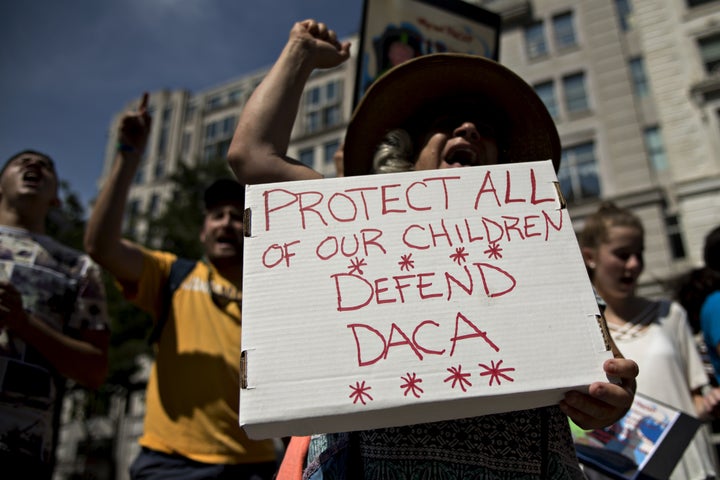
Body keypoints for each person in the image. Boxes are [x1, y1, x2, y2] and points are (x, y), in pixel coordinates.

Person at [227, 19, 640, 479]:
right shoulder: (354, 215)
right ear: (407, 151)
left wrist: (612, 399)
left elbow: (606, 366)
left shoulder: (544, 242)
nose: (468, 130)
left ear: (504, 163)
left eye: (484, 129)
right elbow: (253, 156)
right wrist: (301, 52)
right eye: (446, 125)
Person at [83, 94, 278, 479]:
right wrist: (128, 156)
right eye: (217, 216)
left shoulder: (271, 292)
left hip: (253, 465)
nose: (227, 224)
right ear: (203, 229)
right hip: (169, 463)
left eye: (238, 217)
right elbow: (101, 247)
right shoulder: (171, 274)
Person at [579, 202, 720, 479]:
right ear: (590, 257)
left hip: (688, 465)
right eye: (622, 254)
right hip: (619, 469)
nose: (633, 264)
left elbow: (694, 402)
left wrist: (711, 401)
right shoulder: (582, 328)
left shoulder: (670, 314)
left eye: (638, 254)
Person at [0, 150, 110, 478]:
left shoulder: (78, 268)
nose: (34, 165)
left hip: (22, 453)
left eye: (46, 165)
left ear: (57, 200)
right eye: (22, 161)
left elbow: (95, 369)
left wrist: (23, 323)